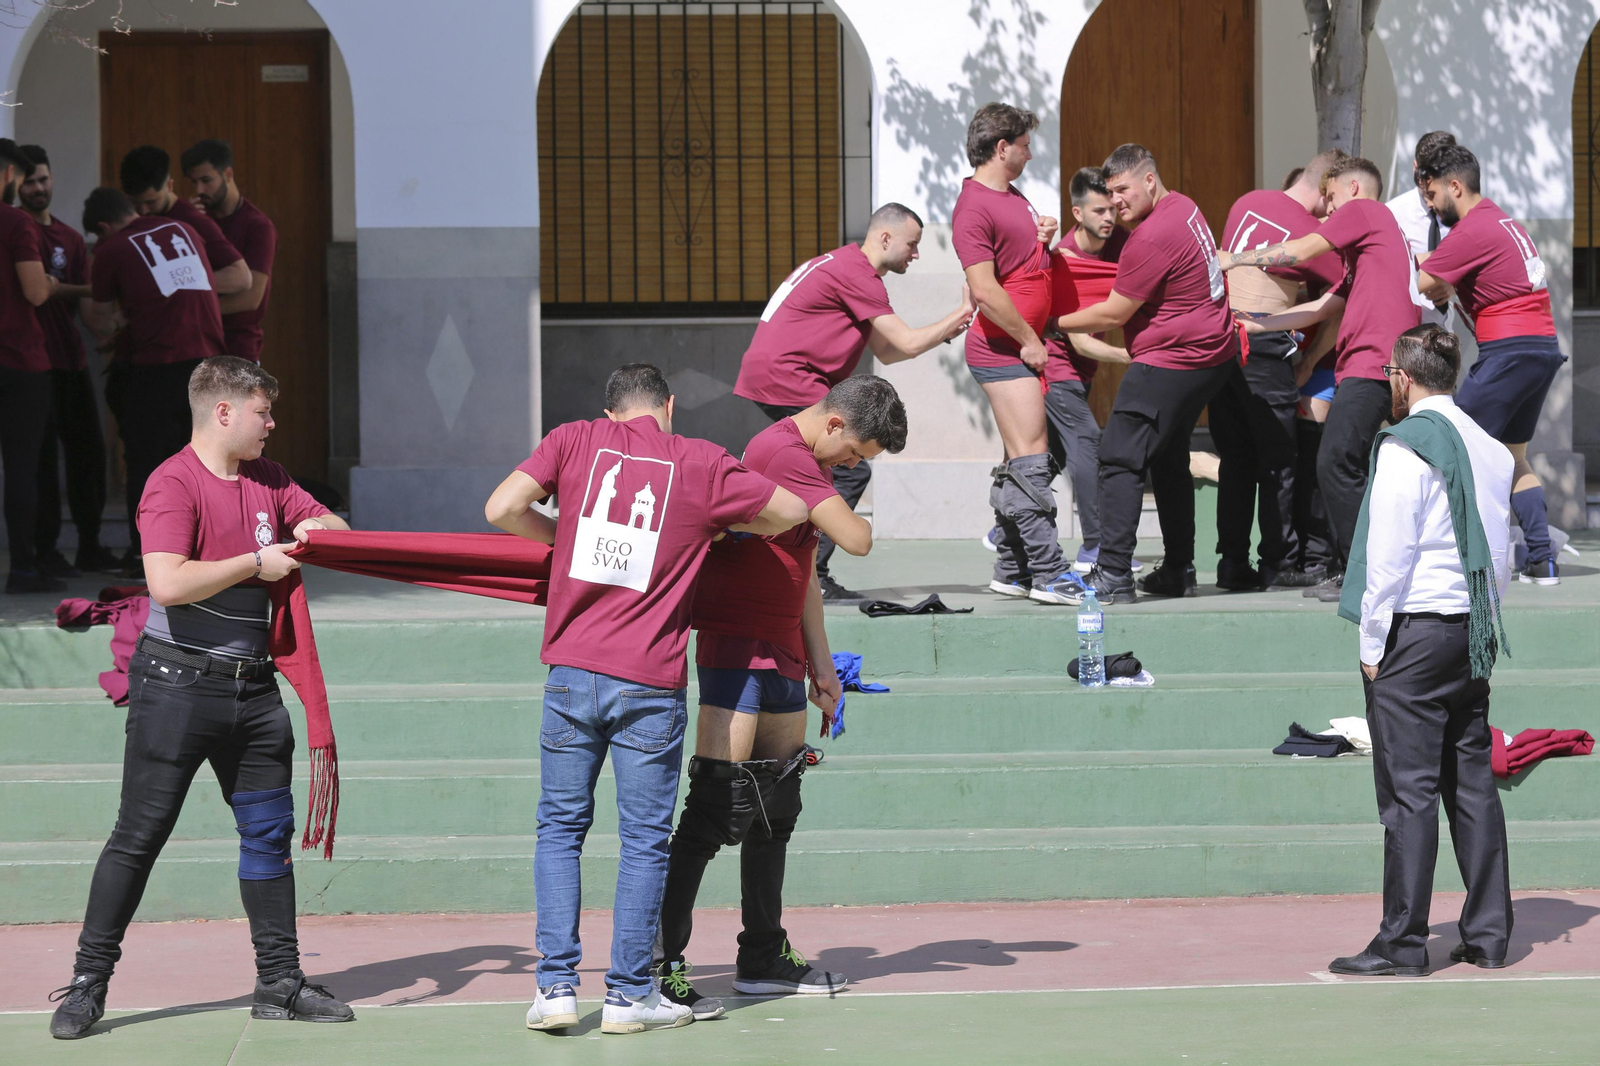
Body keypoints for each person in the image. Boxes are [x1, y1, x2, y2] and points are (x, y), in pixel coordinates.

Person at [484, 363, 806, 1035]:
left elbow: (502, 508)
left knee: (559, 829)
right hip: (650, 684)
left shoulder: (574, 440)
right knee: (643, 843)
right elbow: (790, 512)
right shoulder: (702, 459)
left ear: (610, 415)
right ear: (669, 406)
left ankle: (555, 990)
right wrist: (714, 531)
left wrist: (563, 536)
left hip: (572, 673)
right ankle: (630, 995)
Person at [47, 357, 354, 1039]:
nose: (272, 424)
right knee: (138, 837)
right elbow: (166, 583)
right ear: (223, 411)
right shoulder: (171, 482)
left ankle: (278, 982)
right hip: (177, 690)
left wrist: (314, 531)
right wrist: (255, 562)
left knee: (269, 838)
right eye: (262, 411)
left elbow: (334, 526)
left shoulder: (270, 480)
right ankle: (88, 985)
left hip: (254, 693)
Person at [655, 375, 907, 1015]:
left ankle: (762, 955)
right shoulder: (781, 454)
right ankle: (660, 964)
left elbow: (807, 578)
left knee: (775, 810)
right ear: (832, 424)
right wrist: (853, 508)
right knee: (716, 808)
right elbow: (857, 538)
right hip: (735, 646)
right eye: (854, 454)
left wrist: (821, 665)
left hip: (783, 653)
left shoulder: (812, 463)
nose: (852, 468)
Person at [1328, 326, 1513, 977]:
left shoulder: (1409, 445)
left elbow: (1389, 554)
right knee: (1472, 789)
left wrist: (1371, 644)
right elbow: (1500, 550)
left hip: (1416, 632)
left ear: (1402, 378)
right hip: (1470, 632)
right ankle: (1489, 935)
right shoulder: (1489, 448)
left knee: (1408, 794)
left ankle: (1402, 944)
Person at [733, 203, 972, 602]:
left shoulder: (845, 266)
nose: (916, 254)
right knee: (850, 464)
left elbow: (891, 350)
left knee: (825, 465)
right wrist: (961, 314)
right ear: (884, 237)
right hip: (789, 376)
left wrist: (948, 329)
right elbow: (907, 341)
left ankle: (787, 552)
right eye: (912, 244)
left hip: (775, 373)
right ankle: (814, 571)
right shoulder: (858, 273)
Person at [1219, 157, 1421, 603]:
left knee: (1335, 462)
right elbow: (1320, 309)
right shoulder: (1374, 243)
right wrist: (1256, 325)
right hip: (1383, 365)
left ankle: (1362, 576)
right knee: (1348, 465)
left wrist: (1237, 258)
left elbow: (1302, 249)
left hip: (1373, 364)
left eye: (1328, 198)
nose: (1325, 210)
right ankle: (1364, 570)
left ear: (1351, 187)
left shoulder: (1365, 211)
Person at [1051, 144, 1240, 605]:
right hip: (1212, 356)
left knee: (1117, 458)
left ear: (1150, 180)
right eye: (1110, 192)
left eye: (1123, 189)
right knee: (1168, 457)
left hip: (1173, 358)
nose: (1116, 201)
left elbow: (1115, 312)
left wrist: (1056, 320)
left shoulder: (1151, 235)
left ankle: (1114, 572)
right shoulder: (1186, 207)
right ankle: (1178, 569)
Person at [1415, 144, 1568, 586]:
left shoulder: (1473, 227)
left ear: (1455, 186)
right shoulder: (1504, 219)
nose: (1429, 205)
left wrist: (1433, 271)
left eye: (1432, 195)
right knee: (1514, 457)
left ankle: (1455, 561)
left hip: (1510, 351)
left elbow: (1426, 280)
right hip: (1541, 349)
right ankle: (1542, 559)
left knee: (1451, 448)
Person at [952, 103, 1084, 605]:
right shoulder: (973, 207)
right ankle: (1049, 572)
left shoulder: (1010, 196)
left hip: (1018, 347)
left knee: (1019, 460)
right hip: (1003, 349)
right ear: (1001, 147)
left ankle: (1012, 567)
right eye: (1025, 145)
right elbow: (983, 289)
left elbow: (1014, 264)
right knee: (1033, 459)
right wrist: (1030, 341)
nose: (1031, 153)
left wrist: (1041, 238)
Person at [1212, 150, 1348, 589]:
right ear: (1327, 188)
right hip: (1265, 344)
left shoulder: (1246, 202)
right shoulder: (1311, 233)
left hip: (1222, 340)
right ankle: (1278, 562)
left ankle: (1231, 562)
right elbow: (1344, 295)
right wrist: (1309, 361)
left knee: (1236, 459)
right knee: (1278, 460)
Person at [84, 186, 227, 573]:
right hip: (207, 365)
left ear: (102, 227)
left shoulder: (111, 248)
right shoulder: (184, 229)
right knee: (204, 461)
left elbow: (99, 317)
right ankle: (207, 550)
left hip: (157, 367)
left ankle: (144, 553)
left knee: (149, 465)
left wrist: (115, 326)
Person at [19, 145, 116, 576]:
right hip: (30, 365)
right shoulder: (15, 232)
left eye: (43, 179)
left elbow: (92, 299)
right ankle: (44, 550)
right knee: (39, 463)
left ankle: (91, 544)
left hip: (72, 361)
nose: (38, 188)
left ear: (52, 179)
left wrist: (109, 337)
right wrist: (58, 286)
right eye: (28, 181)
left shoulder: (70, 239)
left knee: (88, 455)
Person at [1041, 167, 1131, 574]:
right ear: (1077, 213)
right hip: (1055, 364)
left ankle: (1004, 530)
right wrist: (1135, 357)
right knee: (1088, 443)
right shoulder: (1064, 261)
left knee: (1048, 456)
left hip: (1085, 372)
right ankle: (1093, 547)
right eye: (1099, 211)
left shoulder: (1120, 247)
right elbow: (1077, 339)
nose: (1109, 218)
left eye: (1113, 209)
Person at [0, 138, 62, 594]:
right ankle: (23, 567)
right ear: (8, 175)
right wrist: (55, 280)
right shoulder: (17, 222)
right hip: (20, 361)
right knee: (22, 467)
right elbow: (36, 291)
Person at [183, 139, 277, 363]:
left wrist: (188, 312)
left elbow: (252, 298)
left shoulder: (257, 226)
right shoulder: (196, 219)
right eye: (194, 182)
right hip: (194, 348)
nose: (199, 190)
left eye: (206, 180)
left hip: (237, 351)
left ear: (228, 174)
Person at [120, 146, 250, 297]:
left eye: (151, 202)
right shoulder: (129, 218)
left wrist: (172, 282)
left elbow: (241, 277)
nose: (142, 211)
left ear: (169, 186)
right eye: (135, 203)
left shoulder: (193, 221)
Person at [1386, 131, 1456, 329]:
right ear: (1415, 167)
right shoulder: (1392, 214)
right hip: (1403, 331)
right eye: (1426, 177)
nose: (1430, 185)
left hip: (1446, 331)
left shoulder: (1462, 213)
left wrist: (1453, 287)